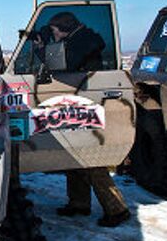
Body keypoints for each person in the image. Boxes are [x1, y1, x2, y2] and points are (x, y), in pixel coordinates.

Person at [44, 12, 130, 227]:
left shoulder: (82, 42)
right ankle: (79, 203)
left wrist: (41, 47)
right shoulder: (79, 39)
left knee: (90, 159)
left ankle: (117, 209)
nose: (54, 35)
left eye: (55, 31)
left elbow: (66, 64)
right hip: (81, 99)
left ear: (64, 28)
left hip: (87, 101)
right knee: (74, 155)